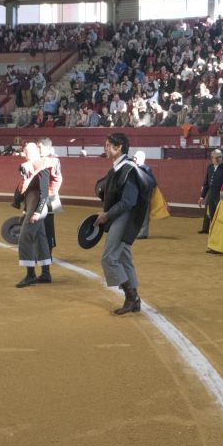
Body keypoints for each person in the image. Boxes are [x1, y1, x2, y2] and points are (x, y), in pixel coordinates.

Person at [95, 133, 149, 315]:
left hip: (125, 217)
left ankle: (131, 297)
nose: (105, 148)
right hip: (120, 216)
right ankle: (135, 300)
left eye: (108, 145)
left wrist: (108, 214)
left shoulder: (128, 169)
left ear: (118, 148)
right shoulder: (120, 168)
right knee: (124, 258)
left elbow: (128, 201)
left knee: (109, 258)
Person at [13, 142, 52, 288]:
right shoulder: (30, 167)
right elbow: (26, 192)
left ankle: (30, 275)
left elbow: (44, 193)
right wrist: (25, 210)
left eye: (29, 151)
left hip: (37, 205)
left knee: (25, 237)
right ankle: (46, 274)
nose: (26, 154)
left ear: (37, 152)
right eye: (25, 151)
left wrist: (37, 212)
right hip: (32, 204)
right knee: (40, 239)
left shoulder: (42, 167)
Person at [198, 149, 223, 234]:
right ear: (211, 158)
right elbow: (206, 184)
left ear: (222, 158)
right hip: (211, 192)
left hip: (220, 194)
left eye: (219, 157)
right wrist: (202, 196)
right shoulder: (210, 167)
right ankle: (209, 229)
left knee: (221, 213)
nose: (217, 159)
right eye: (215, 157)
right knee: (209, 211)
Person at [39, 137, 63, 256]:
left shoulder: (53, 160)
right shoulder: (52, 159)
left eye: (40, 147)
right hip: (46, 195)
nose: (39, 150)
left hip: (49, 196)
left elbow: (57, 179)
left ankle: (48, 253)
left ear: (47, 148)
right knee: (42, 225)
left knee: (47, 226)